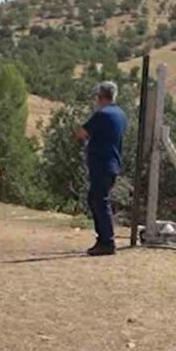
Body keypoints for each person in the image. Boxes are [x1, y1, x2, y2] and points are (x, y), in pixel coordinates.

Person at [74, 81, 126, 256]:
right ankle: (103, 238)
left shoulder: (102, 114)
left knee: (100, 201)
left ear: (101, 96)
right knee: (95, 199)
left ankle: (107, 241)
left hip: (101, 164)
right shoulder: (120, 114)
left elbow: (81, 133)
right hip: (113, 163)